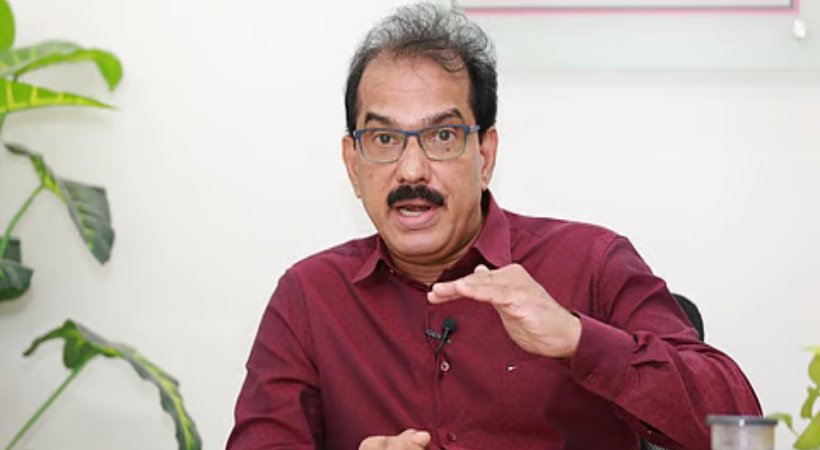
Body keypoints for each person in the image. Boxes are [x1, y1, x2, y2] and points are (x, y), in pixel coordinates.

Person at [226, 3, 761, 449]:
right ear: (353, 163)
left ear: (485, 154)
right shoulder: (309, 298)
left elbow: (736, 418)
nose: (411, 171)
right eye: (384, 140)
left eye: (442, 137)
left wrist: (578, 339)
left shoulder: (590, 262)